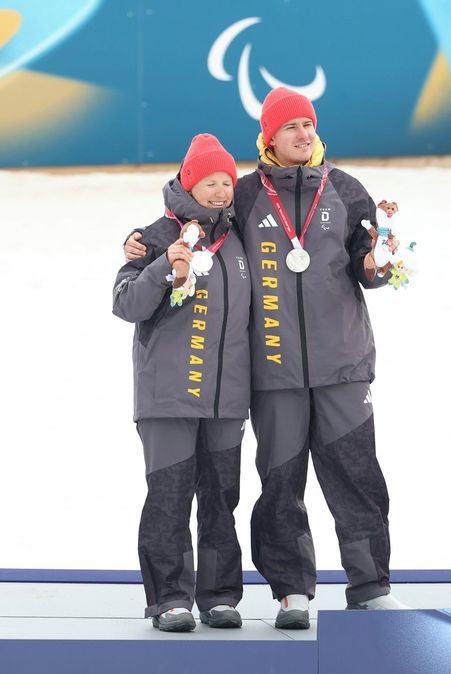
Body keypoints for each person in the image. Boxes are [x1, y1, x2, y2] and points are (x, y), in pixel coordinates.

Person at [125, 87, 405, 628]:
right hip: (271, 372)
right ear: (269, 137)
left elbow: (368, 267)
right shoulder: (245, 197)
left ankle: (370, 584)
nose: (304, 135)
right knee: (280, 484)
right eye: (291, 127)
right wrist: (142, 242)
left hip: (343, 366)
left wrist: (380, 264)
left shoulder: (346, 190)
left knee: (357, 476)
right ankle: (291, 590)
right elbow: (187, 223)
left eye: (309, 125)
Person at [113, 134, 250, 632]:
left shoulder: (241, 239)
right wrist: (159, 266)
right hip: (167, 397)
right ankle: (169, 597)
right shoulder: (152, 235)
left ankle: (219, 596)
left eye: (226, 183)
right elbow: (125, 303)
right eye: (209, 182)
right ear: (190, 184)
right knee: (168, 499)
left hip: (226, 398)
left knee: (221, 500)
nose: (219, 192)